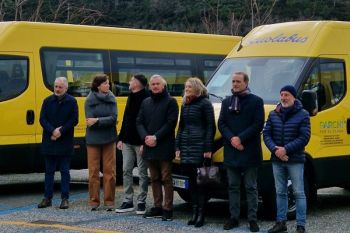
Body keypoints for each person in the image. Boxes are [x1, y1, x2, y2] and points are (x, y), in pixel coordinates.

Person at [218, 71, 264, 232]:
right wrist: (232, 139)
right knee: (233, 186)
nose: (235, 84)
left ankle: (252, 219)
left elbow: (258, 124)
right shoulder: (226, 102)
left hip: (249, 150)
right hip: (232, 150)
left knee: (251, 187)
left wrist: (240, 139)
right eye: (233, 81)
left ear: (246, 82)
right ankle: (234, 218)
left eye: (238, 81)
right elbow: (222, 124)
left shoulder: (256, 101)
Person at [263, 85, 311, 233]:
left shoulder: (303, 114)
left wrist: (286, 149)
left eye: (287, 95)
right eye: (282, 94)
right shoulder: (273, 114)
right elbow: (266, 134)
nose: (283, 98)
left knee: (298, 192)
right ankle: (281, 222)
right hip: (277, 159)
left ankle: (300, 225)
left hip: (295, 159)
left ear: (294, 97)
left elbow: (304, 137)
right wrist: (276, 150)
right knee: (280, 192)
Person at [136, 74, 179, 221]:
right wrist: (145, 137)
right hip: (149, 145)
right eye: (152, 84)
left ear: (163, 85)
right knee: (154, 178)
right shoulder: (146, 102)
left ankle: (168, 208)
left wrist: (156, 137)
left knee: (166, 177)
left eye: (157, 84)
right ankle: (157, 206)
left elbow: (170, 123)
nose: (154, 86)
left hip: (164, 146)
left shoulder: (171, 101)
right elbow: (139, 122)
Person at [175, 77, 215, 227]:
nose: (187, 89)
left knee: (201, 184)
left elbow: (210, 127)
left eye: (189, 87)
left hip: (199, 148)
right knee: (191, 183)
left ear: (197, 87)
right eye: (186, 87)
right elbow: (181, 127)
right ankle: (194, 213)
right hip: (186, 147)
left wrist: (208, 148)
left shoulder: (205, 103)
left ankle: (201, 215)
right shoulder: (185, 104)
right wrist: (177, 146)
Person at [38, 77, 78, 209]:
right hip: (50, 141)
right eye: (56, 86)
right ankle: (47, 198)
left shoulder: (72, 101)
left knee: (65, 171)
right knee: (49, 171)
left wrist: (60, 131)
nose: (57, 89)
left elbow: (74, 120)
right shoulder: (47, 101)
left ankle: (65, 199)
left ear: (66, 88)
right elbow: (42, 119)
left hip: (65, 141)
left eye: (60, 87)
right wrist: (52, 131)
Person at [115, 74, 150, 215]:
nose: (129, 82)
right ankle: (128, 200)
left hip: (140, 142)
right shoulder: (130, 95)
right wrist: (121, 138)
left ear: (137, 83)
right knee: (126, 170)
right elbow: (126, 118)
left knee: (142, 172)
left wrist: (144, 142)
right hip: (127, 141)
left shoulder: (147, 97)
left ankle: (141, 201)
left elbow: (148, 121)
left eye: (131, 80)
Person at [85, 74, 117, 211]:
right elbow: (89, 120)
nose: (108, 86)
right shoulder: (89, 99)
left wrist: (98, 120)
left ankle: (109, 201)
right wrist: (103, 120)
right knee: (93, 171)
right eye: (105, 83)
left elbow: (114, 118)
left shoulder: (112, 98)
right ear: (98, 86)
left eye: (108, 83)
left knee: (110, 171)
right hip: (93, 140)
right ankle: (94, 201)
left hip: (109, 138)